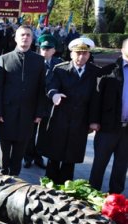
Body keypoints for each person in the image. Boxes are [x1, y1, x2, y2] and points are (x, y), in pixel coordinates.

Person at [43, 37, 100, 184]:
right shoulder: (60, 69)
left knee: (71, 156)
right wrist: (54, 94)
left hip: (80, 120)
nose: (81, 56)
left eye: (85, 53)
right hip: (60, 118)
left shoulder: (95, 72)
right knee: (54, 154)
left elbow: (96, 98)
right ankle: (49, 186)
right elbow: (50, 86)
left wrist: (93, 121)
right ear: (71, 54)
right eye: (78, 53)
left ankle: (66, 188)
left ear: (89, 55)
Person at [0, 25, 46, 176]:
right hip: (6, 114)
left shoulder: (39, 61)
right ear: (15, 38)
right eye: (22, 35)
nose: (25, 37)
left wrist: (39, 112)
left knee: (19, 153)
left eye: (28, 35)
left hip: (28, 115)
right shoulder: (5, 58)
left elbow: (42, 89)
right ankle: (1, 179)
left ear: (32, 38)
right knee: (3, 154)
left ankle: (15, 180)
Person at [89, 39, 128, 194]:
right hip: (107, 127)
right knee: (99, 164)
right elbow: (96, 99)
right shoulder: (108, 71)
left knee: (121, 166)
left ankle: (115, 199)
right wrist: (94, 121)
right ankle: (92, 195)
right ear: (122, 49)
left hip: (127, 131)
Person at [24, 34, 63, 169]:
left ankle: (38, 156)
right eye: (43, 49)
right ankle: (28, 156)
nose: (45, 51)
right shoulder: (34, 62)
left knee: (44, 133)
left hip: (50, 105)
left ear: (54, 50)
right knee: (30, 132)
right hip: (34, 103)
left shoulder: (60, 64)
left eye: (48, 49)